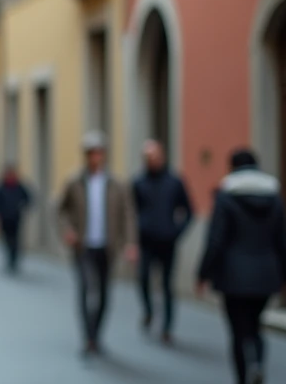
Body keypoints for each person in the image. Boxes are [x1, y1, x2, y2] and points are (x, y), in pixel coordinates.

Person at [197, 148, 286, 384]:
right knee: (256, 327)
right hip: (266, 274)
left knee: (238, 332)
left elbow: (216, 240)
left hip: (234, 276)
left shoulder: (226, 196)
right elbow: (282, 240)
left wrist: (203, 273)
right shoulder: (274, 197)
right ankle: (257, 364)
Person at [57, 131, 137, 356]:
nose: (95, 157)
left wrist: (130, 243)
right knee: (85, 290)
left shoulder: (116, 184)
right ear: (86, 155)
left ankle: (96, 335)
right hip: (83, 247)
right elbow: (60, 210)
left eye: (99, 153)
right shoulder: (74, 182)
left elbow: (128, 215)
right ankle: (88, 338)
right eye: (91, 153)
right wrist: (67, 230)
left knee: (103, 294)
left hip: (107, 246)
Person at [132, 140, 194, 344]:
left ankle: (167, 327)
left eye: (156, 156)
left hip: (167, 242)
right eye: (149, 157)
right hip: (146, 241)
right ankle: (149, 310)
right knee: (143, 279)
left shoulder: (174, 182)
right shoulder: (138, 182)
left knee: (167, 285)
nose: (153, 160)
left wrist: (176, 232)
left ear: (163, 157)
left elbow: (189, 211)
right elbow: (131, 211)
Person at [0, 165, 31, 274]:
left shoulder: (19, 187)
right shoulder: (2, 187)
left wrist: (22, 206)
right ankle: (9, 258)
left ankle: (14, 259)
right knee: (6, 239)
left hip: (16, 217)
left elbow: (28, 198)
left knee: (15, 240)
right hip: (4, 218)